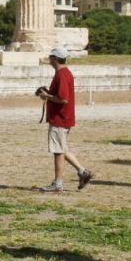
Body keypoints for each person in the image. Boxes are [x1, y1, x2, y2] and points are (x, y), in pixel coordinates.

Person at [37, 46, 93, 192]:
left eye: (51, 57)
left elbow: (63, 99)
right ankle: (83, 172)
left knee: (58, 151)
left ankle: (58, 184)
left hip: (59, 117)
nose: (49, 59)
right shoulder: (65, 73)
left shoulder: (61, 74)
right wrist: (49, 93)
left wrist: (46, 96)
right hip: (64, 117)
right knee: (61, 148)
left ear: (55, 58)